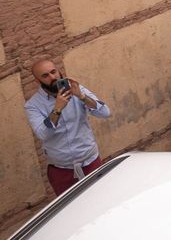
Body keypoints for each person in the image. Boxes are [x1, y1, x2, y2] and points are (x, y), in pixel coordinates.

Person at [24, 57, 111, 196]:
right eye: (45, 76)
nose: (52, 77)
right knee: (73, 207)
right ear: (38, 81)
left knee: (103, 198)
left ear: (59, 71)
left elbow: (105, 112)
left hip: (90, 161)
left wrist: (82, 96)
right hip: (62, 171)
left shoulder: (77, 90)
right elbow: (42, 134)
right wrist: (57, 109)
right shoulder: (32, 105)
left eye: (53, 72)